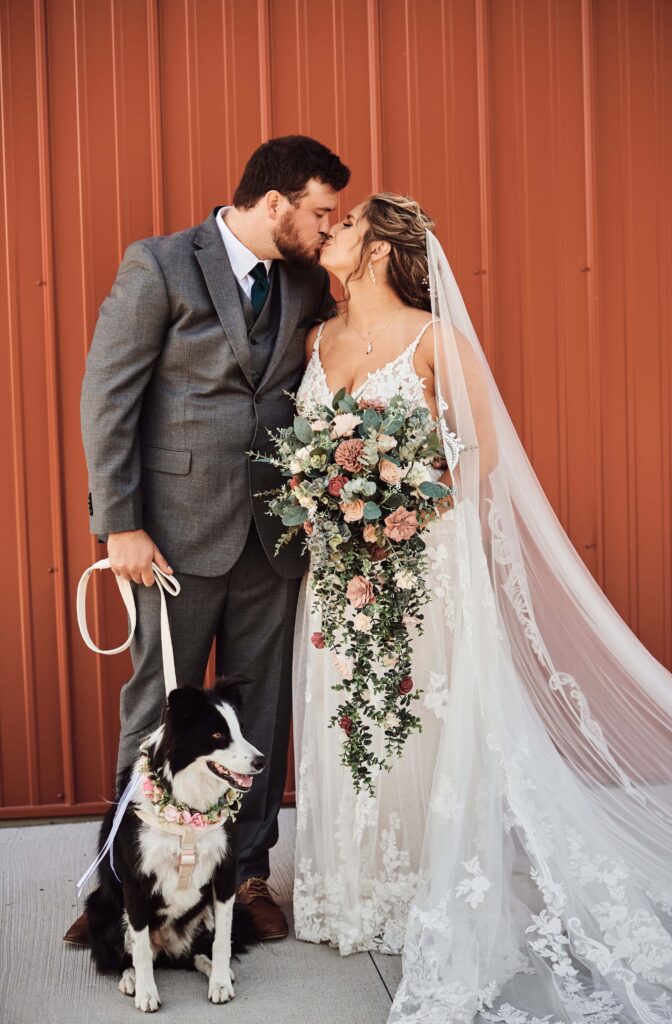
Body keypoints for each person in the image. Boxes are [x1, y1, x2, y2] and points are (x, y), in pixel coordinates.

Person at [292, 193, 672, 1022]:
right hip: (335, 572)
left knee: (426, 719)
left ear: (381, 249)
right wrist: (330, 503)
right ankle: (353, 893)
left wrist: (399, 511)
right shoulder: (315, 340)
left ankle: (428, 886)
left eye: (348, 224)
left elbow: (482, 456)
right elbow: (309, 456)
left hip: (421, 565)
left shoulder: (438, 342)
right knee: (349, 718)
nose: (331, 230)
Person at [66, 135, 350, 947]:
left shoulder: (306, 281)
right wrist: (119, 522)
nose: (329, 230)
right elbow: (106, 395)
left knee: (258, 714)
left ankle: (246, 874)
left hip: (276, 538)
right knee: (162, 709)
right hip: (173, 539)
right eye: (321, 213)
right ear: (275, 204)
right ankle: (124, 884)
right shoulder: (158, 266)